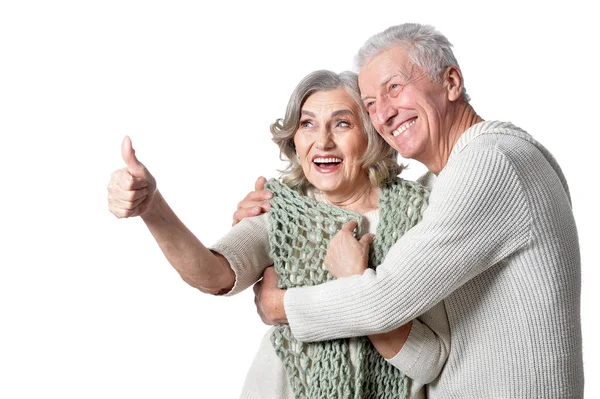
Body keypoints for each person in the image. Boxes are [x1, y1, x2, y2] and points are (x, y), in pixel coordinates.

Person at [243, 23, 583, 398]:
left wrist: (281, 305)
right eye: (370, 104)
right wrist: (278, 212)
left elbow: (384, 300)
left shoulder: (491, 162)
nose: (384, 113)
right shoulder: (441, 185)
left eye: (394, 88)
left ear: (451, 82)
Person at [107, 70, 450, 398]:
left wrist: (348, 289)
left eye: (342, 123)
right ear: (295, 140)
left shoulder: (422, 212)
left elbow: (430, 355)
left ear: (371, 134)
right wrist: (153, 209)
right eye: (307, 124)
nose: (323, 141)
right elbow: (213, 275)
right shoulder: (277, 209)